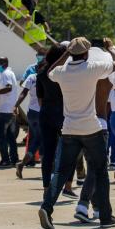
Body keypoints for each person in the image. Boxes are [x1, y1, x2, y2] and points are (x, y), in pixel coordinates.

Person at [37, 38, 115, 229]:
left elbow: (49, 71)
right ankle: (106, 216)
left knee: (60, 172)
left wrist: (66, 54)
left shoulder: (62, 72)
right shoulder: (92, 68)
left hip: (69, 128)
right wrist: (111, 49)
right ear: (86, 53)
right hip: (91, 127)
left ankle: (47, 207)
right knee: (100, 171)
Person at [36, 45, 66, 190]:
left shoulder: (41, 72)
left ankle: (46, 186)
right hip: (62, 112)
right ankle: (67, 185)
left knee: (48, 152)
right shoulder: (63, 72)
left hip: (46, 112)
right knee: (67, 150)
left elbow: (40, 98)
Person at [0, 57, 20, 168]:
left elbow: (8, 88)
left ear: (3, 63)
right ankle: (14, 159)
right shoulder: (10, 73)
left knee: (1, 137)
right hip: (10, 110)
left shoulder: (5, 74)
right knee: (10, 137)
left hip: (5, 111)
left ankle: (5, 160)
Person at [14, 67, 41, 178]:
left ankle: (22, 164)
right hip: (41, 113)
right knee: (41, 140)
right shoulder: (48, 77)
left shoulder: (31, 77)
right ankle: (50, 170)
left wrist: (16, 105)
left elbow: (23, 93)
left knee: (35, 140)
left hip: (32, 113)